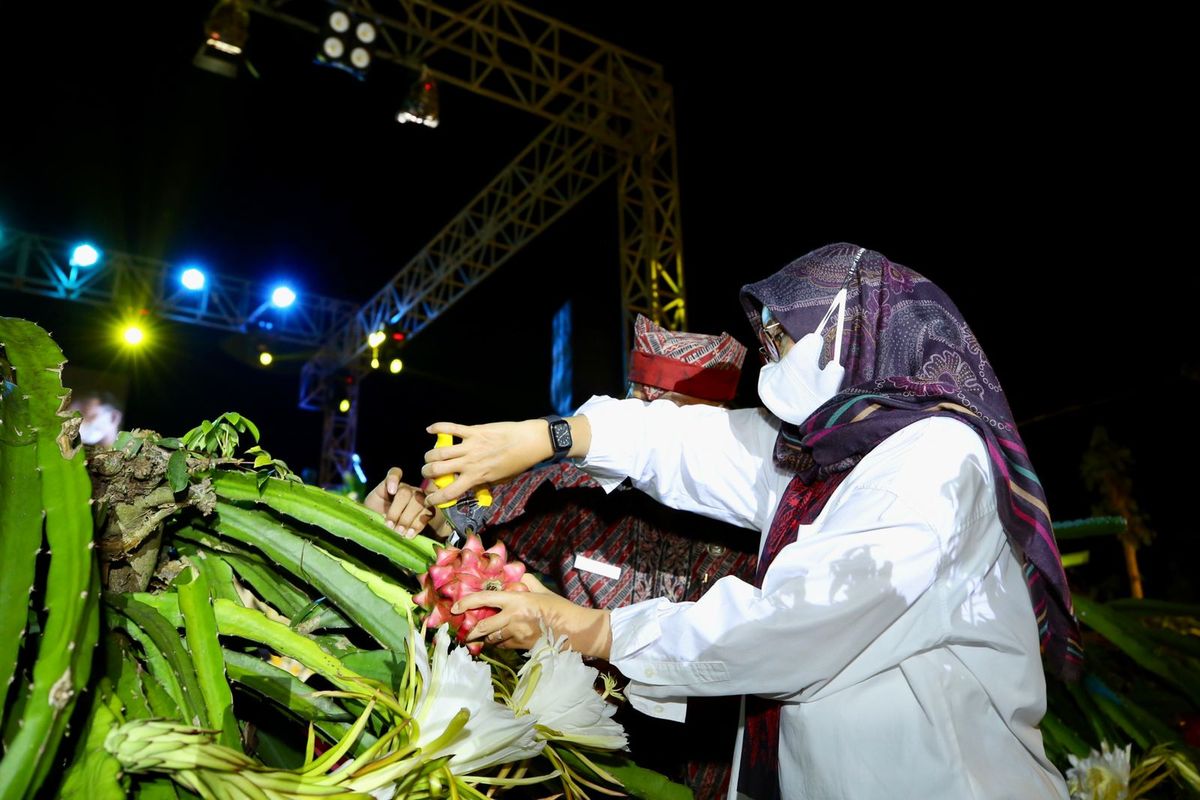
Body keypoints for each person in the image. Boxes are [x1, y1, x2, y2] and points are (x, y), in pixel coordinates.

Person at [419, 243, 1080, 799]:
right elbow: (687, 445)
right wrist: (552, 437)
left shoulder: (933, 460)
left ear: (853, 332)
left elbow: (793, 625)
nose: (769, 356)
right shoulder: (837, 450)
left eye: (781, 338)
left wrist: (593, 630)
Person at [366, 315, 755, 798]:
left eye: (684, 424)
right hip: (577, 766)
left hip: (710, 769)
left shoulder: (764, 527)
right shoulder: (578, 493)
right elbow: (465, 524)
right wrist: (414, 509)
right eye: (650, 417)